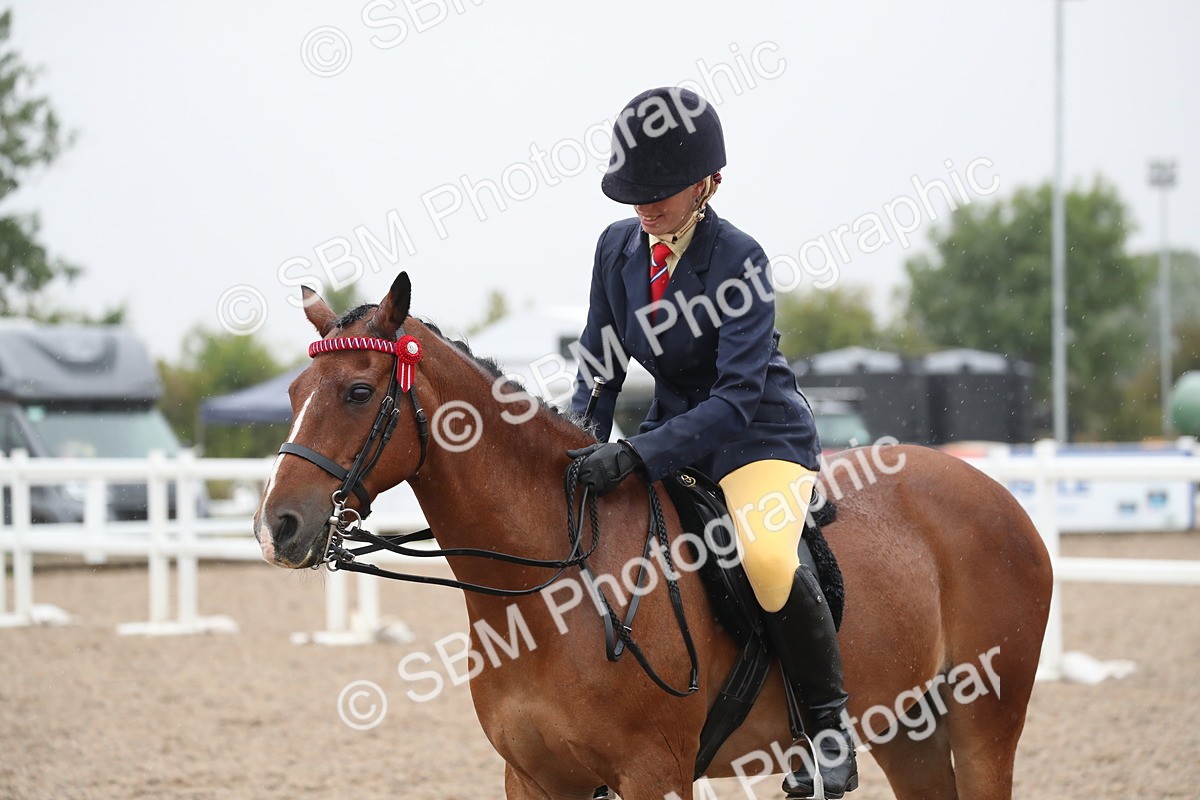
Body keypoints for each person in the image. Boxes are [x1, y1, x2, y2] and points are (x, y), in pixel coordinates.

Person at [567, 87, 858, 799]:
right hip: (670, 434)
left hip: (756, 436)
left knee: (763, 555)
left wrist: (637, 454)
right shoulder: (616, 250)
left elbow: (735, 398)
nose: (644, 206)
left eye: (659, 190)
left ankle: (827, 730)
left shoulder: (739, 260)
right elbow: (601, 369)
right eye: (634, 191)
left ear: (708, 182)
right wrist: (579, 445)